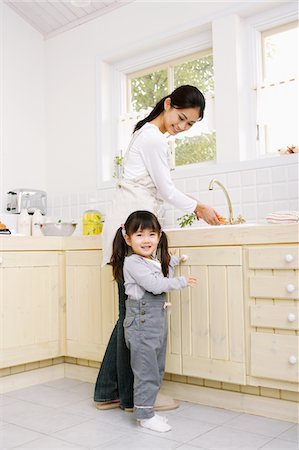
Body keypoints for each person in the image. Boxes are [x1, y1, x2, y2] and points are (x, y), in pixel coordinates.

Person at [94, 85, 220, 411]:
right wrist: (200, 207)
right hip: (129, 233)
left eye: (190, 124)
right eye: (180, 118)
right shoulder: (152, 138)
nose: (182, 127)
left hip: (128, 231)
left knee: (129, 314)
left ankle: (109, 391)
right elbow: (166, 189)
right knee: (133, 316)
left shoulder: (148, 135)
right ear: (167, 105)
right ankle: (134, 398)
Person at [112, 211, 197, 432]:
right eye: (140, 235)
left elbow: (160, 273)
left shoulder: (151, 261)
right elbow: (155, 285)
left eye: (152, 234)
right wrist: (181, 281)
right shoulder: (132, 262)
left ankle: (148, 408)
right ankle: (144, 415)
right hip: (141, 324)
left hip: (155, 322)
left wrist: (175, 260)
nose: (147, 240)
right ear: (128, 239)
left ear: (159, 237)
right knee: (146, 370)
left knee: (156, 368)